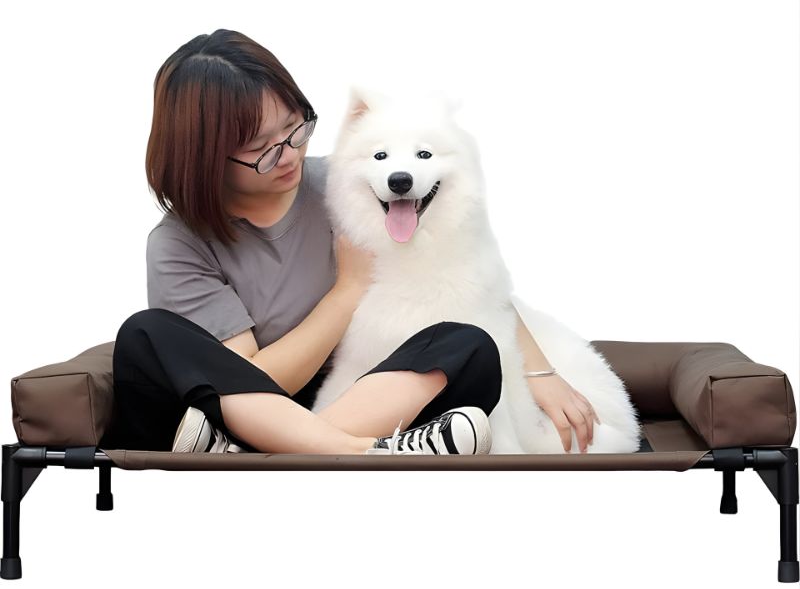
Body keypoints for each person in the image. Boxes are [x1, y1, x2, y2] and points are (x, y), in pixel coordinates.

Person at [99, 28, 597, 457]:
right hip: (241, 408)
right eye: (261, 151)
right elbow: (251, 379)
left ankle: (269, 452)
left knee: (469, 345)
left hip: (360, 399)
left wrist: (540, 373)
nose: (290, 155)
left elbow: (468, 280)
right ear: (203, 160)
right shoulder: (179, 245)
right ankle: (365, 452)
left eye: (296, 128)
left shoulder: (351, 187)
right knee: (146, 337)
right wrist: (348, 289)